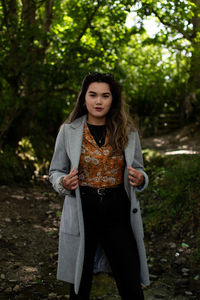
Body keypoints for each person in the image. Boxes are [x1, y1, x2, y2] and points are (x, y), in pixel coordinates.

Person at [49, 72, 150, 300]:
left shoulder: (128, 131)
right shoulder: (68, 130)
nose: (98, 101)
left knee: (131, 283)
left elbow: (139, 168)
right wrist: (63, 183)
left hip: (118, 212)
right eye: (93, 95)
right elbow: (55, 171)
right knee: (80, 284)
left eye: (105, 96)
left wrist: (141, 179)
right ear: (83, 97)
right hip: (82, 211)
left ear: (113, 99)